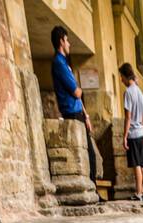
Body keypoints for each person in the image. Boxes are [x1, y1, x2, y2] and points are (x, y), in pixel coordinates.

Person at [51, 26, 98, 191]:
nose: (69, 44)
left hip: (78, 111)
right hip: (71, 111)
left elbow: (78, 95)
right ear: (61, 41)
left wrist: (86, 116)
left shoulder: (65, 63)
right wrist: (79, 92)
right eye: (67, 40)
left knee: (90, 153)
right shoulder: (58, 63)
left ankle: (93, 188)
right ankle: (92, 189)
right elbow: (76, 91)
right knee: (85, 155)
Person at [119, 63, 143, 201]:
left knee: (136, 164)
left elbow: (127, 117)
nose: (121, 80)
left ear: (126, 76)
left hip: (133, 133)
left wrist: (125, 136)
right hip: (141, 132)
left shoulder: (128, 93)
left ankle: (138, 192)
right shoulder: (140, 92)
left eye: (121, 77)